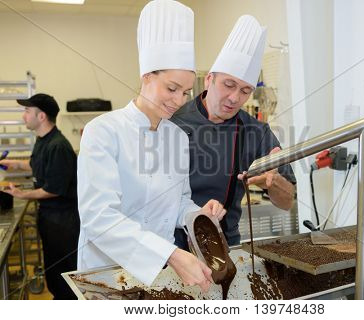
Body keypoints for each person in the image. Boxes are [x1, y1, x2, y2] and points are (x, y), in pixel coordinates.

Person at [76, 0, 225, 293]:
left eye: (185, 92)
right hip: (107, 272)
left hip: (160, 271)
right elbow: (99, 217)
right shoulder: (103, 132)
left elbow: (178, 200)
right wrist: (168, 253)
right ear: (146, 77)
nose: (178, 100)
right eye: (171, 88)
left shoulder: (177, 137)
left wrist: (198, 214)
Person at [171, 15, 297, 249]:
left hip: (224, 244)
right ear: (209, 79)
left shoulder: (256, 132)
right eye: (229, 85)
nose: (234, 98)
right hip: (172, 245)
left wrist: (274, 182)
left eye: (245, 90)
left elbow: (288, 201)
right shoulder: (173, 120)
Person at [0, 93, 79, 299]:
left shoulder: (58, 146)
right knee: (53, 269)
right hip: (50, 218)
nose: (23, 116)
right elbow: (41, 166)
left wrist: (21, 194)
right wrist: (16, 164)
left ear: (41, 116)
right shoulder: (44, 141)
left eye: (27, 111)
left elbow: (54, 188)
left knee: (63, 271)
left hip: (62, 222)